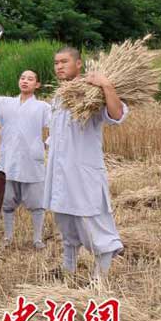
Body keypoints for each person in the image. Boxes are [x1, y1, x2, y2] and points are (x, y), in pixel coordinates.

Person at [45, 47, 127, 285]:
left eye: (64, 61)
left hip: (83, 172)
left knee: (93, 225)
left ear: (79, 64)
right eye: (56, 62)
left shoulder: (93, 92)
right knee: (65, 223)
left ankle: (99, 280)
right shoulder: (59, 95)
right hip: (59, 172)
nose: (59, 66)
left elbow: (117, 114)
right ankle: (68, 272)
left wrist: (107, 85)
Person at [0, 64, 51, 249]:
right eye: (23, 77)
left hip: (32, 161)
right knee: (7, 202)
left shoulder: (42, 107)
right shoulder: (6, 103)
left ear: (37, 85)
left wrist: (46, 145)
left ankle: (37, 239)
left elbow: (59, 127)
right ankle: (8, 238)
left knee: (37, 202)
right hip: (9, 159)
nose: (25, 81)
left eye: (30, 79)